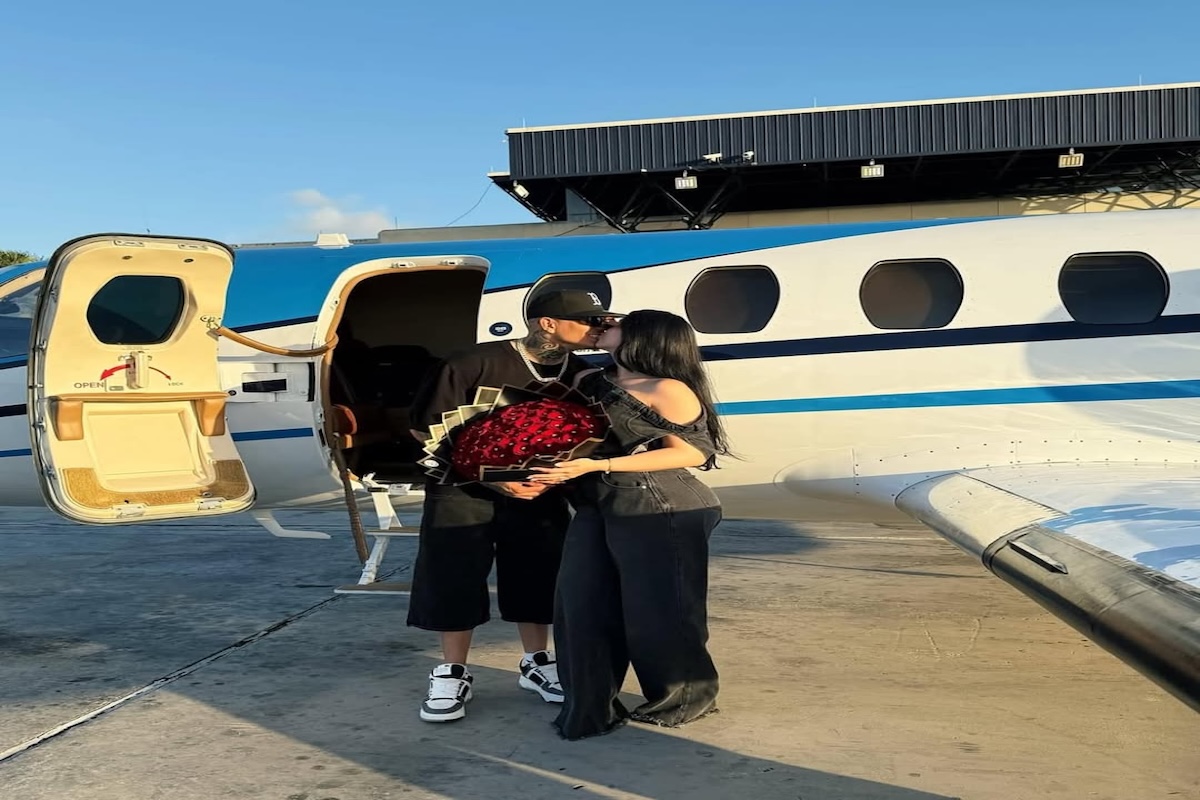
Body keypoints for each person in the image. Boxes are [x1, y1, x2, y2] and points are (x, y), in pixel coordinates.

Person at [405, 289, 623, 723]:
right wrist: (496, 480)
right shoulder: (472, 362)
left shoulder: (583, 373)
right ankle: (452, 670)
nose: (596, 329)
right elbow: (423, 429)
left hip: (539, 491)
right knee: (454, 573)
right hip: (459, 486)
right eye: (587, 321)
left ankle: (537, 662)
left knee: (539, 571)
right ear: (547, 323)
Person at [529, 309, 731, 740]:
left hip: (659, 503)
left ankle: (684, 695)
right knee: (579, 607)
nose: (605, 329)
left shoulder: (667, 388)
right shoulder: (590, 380)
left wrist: (596, 464)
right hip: (596, 503)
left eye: (616, 326)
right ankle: (590, 702)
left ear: (641, 337)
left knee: (660, 610)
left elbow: (693, 452)